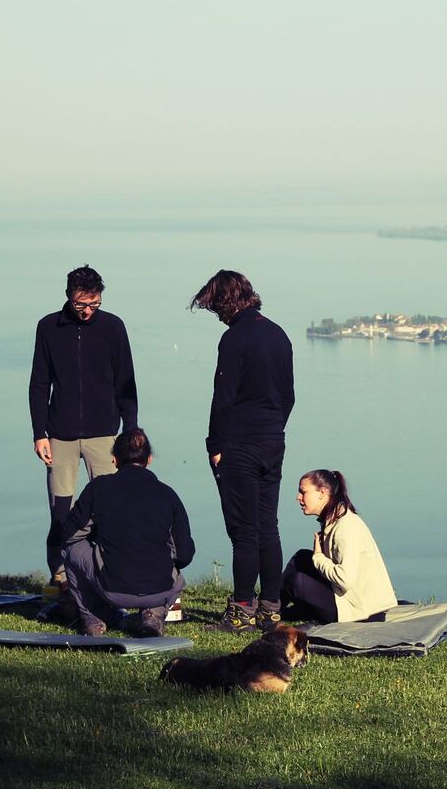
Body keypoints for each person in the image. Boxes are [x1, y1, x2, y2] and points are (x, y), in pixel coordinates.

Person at [190, 269, 296, 632]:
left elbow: (223, 399)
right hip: (272, 440)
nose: (216, 316)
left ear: (225, 302)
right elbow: (288, 396)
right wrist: (273, 428)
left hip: (240, 444)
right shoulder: (278, 334)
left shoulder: (234, 340)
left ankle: (240, 613)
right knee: (269, 525)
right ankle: (271, 609)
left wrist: (215, 445)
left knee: (243, 530)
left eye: (215, 307)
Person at [29, 264, 138, 583]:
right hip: (59, 434)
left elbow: (126, 382)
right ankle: (61, 575)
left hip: (105, 434)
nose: (88, 311)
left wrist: (129, 434)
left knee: (109, 509)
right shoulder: (48, 327)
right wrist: (39, 433)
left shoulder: (114, 327)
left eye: (94, 304)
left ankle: (108, 572)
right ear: (68, 297)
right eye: (81, 304)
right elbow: (39, 383)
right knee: (61, 510)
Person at [60, 428, 193, 637]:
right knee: (173, 567)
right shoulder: (168, 494)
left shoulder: (99, 488)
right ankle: (153, 616)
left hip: (113, 589)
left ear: (114, 460)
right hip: (160, 590)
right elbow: (185, 554)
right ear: (149, 459)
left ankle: (93, 619)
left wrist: (98, 538)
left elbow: (68, 533)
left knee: (70, 548)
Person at [282, 469, 397, 624]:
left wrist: (318, 557)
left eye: (303, 492)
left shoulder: (345, 527)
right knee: (302, 557)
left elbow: (345, 580)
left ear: (322, 493)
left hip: (362, 613)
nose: (298, 498)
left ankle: (275, 610)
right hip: (349, 600)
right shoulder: (334, 519)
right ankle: (272, 608)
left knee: (297, 582)